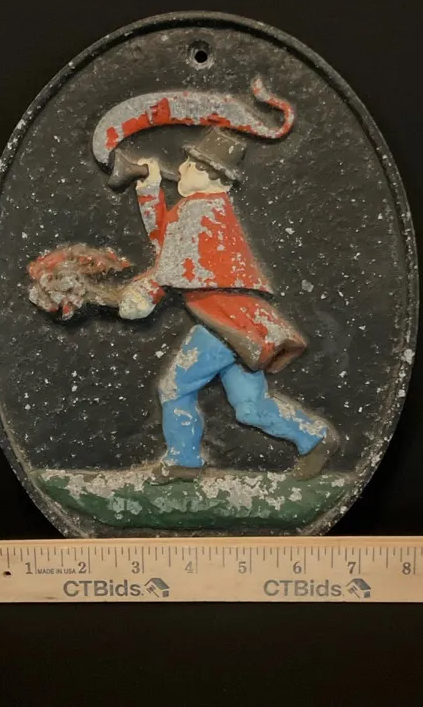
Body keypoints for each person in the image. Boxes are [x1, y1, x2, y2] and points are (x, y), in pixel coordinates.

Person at [117, 128, 337, 480]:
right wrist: (150, 188)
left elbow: (172, 264)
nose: (182, 167)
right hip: (239, 327)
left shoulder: (202, 211)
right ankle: (316, 438)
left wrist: (146, 292)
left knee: (174, 388)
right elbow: (166, 242)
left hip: (221, 325)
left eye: (191, 164)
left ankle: (183, 460)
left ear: (212, 175)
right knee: (250, 407)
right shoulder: (204, 207)